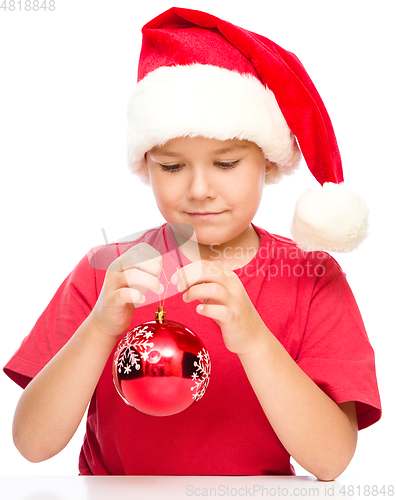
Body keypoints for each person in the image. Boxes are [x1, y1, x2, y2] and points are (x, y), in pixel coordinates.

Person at [4, 7, 381, 480]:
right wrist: (99, 328)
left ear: (266, 161)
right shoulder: (107, 272)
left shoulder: (311, 278)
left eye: (225, 164)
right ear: (146, 164)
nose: (199, 189)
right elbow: (32, 445)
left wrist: (254, 341)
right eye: (172, 166)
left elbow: (332, 461)